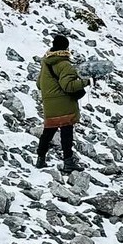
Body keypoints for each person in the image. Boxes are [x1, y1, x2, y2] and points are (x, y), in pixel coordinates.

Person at [36, 34, 90, 172]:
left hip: (49, 105)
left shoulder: (46, 63)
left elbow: (39, 84)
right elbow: (68, 86)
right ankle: (68, 162)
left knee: (48, 133)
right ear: (66, 47)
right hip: (64, 104)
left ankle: (40, 159)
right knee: (67, 134)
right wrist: (87, 81)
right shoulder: (64, 64)